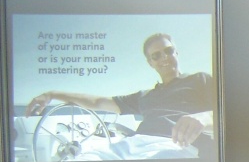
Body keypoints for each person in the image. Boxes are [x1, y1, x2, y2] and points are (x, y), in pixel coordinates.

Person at [25, 33, 214, 149]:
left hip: (176, 145)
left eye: (168, 51)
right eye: (156, 55)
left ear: (176, 52)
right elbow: (98, 102)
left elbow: (228, 114)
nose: (164, 57)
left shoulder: (200, 79)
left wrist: (204, 118)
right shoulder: (144, 96)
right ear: (150, 63)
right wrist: (52, 94)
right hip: (133, 144)